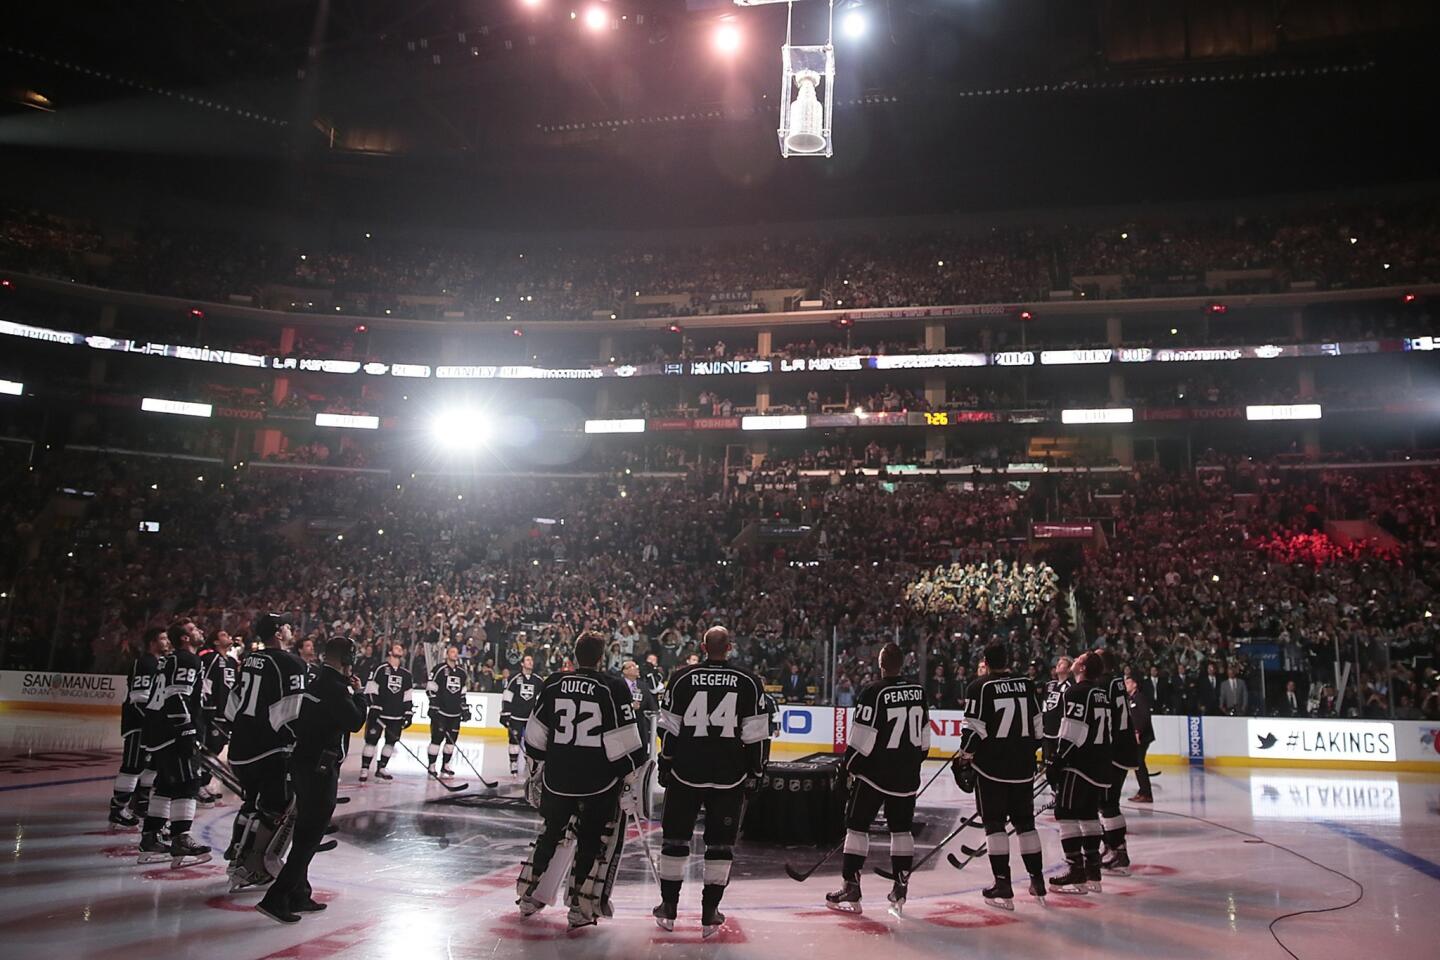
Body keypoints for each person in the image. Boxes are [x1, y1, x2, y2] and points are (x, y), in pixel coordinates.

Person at [515, 632, 648, 930]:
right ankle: (579, 906)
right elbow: (625, 740)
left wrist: (537, 767)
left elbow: (535, 735)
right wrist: (629, 774)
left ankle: (528, 895)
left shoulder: (553, 683)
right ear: (601, 657)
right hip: (596, 780)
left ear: (575, 654)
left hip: (558, 778)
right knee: (590, 840)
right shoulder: (612, 687)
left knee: (551, 834)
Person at [654, 626, 770, 938]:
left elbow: (668, 729)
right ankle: (709, 913)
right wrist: (755, 772)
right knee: (720, 845)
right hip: (728, 777)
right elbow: (756, 735)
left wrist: (666, 764)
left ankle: (668, 907)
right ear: (729, 647)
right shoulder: (748, 681)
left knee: (675, 840)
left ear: (703, 646)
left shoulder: (681, 677)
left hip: (685, 773)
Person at [256, 637, 368, 924]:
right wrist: (360, 693)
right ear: (347, 659)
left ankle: (299, 893)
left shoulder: (314, 679)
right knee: (308, 838)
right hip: (320, 770)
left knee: (305, 831)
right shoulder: (335, 688)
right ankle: (276, 898)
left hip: (303, 763)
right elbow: (355, 722)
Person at [825, 642, 929, 916]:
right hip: (907, 775)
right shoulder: (918, 691)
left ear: (881, 664)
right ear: (903, 663)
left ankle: (851, 885)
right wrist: (909, 764)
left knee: (857, 827)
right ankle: (900, 886)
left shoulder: (873, 691)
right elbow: (925, 741)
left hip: (874, 776)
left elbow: (862, 741)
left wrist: (847, 767)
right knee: (901, 830)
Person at [952, 643, 1046, 910]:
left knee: (994, 825)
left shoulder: (979, 687)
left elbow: (974, 731)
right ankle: (1037, 880)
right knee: (1026, 824)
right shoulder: (1026, 684)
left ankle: (1003, 884)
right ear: (1007, 660)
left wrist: (964, 758)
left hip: (991, 770)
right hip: (1023, 768)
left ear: (986, 661)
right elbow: (1038, 727)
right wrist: (1027, 751)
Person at [225, 613, 309, 886]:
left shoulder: (249, 659)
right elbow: (294, 711)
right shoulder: (292, 662)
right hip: (270, 747)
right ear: (277, 632)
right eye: (286, 625)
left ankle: (235, 855)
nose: (290, 628)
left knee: (252, 801)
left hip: (241, 743)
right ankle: (252, 866)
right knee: (274, 807)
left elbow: (232, 704)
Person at [137, 621, 211, 866]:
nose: (200, 630)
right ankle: (181, 838)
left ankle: (151, 837)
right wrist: (187, 728)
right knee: (189, 782)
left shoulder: (168, 660)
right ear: (185, 639)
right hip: (173, 731)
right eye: (193, 629)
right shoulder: (188, 660)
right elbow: (177, 694)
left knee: (166, 785)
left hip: (157, 730)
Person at [1050, 652, 1111, 894]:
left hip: (1079, 764)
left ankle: (1076, 871)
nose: (1074, 659)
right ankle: (1093, 871)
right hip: (1098, 764)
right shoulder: (1101, 694)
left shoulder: (1076, 692)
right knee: (1088, 815)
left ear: (1082, 667)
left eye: (1078, 658)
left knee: (1065, 813)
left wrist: (1058, 759)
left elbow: (1073, 730)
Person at [109, 626, 166, 827]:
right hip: (138, 725)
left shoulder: (160, 663)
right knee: (133, 766)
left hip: (150, 725)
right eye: (163, 638)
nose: (167, 642)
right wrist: (150, 722)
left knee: (151, 765)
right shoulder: (144, 663)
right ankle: (118, 808)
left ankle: (140, 802)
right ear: (152, 642)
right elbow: (139, 698)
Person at [1096, 650, 1136, 875]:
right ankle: (1113, 848)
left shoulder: (1102, 684)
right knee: (1109, 803)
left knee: (1106, 803)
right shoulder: (1117, 682)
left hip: (1113, 751)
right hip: (1124, 749)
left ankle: (1118, 852)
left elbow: (1104, 720)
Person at [359, 642, 414, 783]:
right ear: (390, 652)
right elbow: (370, 689)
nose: (400, 649)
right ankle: (364, 769)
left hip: (396, 715)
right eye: (396, 647)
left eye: (401, 648)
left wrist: (408, 712)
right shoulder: (380, 669)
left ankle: (382, 767)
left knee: (391, 742)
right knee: (371, 741)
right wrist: (375, 707)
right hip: (380, 714)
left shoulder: (406, 674)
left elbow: (407, 695)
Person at [196, 628, 237, 804]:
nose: (228, 636)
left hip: (226, 713)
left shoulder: (233, 662)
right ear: (215, 642)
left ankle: (203, 783)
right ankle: (197, 785)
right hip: (213, 712)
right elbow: (205, 682)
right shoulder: (211, 658)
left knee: (217, 748)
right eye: (223, 635)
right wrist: (209, 708)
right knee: (209, 748)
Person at [426, 643, 470, 778]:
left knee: (451, 742)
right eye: (452, 652)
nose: (455, 654)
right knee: (436, 739)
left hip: (455, 713)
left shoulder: (462, 673)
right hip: (441, 712)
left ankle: (445, 766)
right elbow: (430, 688)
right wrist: (433, 705)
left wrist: (465, 709)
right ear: (447, 654)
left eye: (456, 652)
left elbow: (462, 693)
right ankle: (432, 766)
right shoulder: (439, 669)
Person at [500, 653, 542, 778]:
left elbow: (541, 699)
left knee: (531, 742)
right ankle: (513, 764)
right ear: (522, 664)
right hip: (516, 716)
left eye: (531, 660)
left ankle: (530, 764)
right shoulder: (515, 678)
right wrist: (505, 713)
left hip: (530, 718)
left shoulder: (538, 680)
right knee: (514, 741)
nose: (530, 662)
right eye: (528, 660)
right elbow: (507, 695)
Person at [1039, 656, 1073, 773]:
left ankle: (1058, 788)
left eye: (1062, 663)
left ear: (1069, 669)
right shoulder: (1049, 685)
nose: (1058, 665)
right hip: (1047, 730)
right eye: (1058, 663)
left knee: (1057, 764)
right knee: (1047, 762)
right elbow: (1045, 705)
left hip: (1059, 732)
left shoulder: (1070, 687)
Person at [1124, 676, 1154, 802]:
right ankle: (1143, 791)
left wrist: (1138, 731)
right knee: (1138, 764)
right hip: (1137, 736)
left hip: (1142, 737)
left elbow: (1145, 717)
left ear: (1135, 684)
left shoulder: (1139, 697)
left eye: (1129, 682)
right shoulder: (1131, 699)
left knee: (1139, 764)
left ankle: (1146, 793)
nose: (1126, 684)